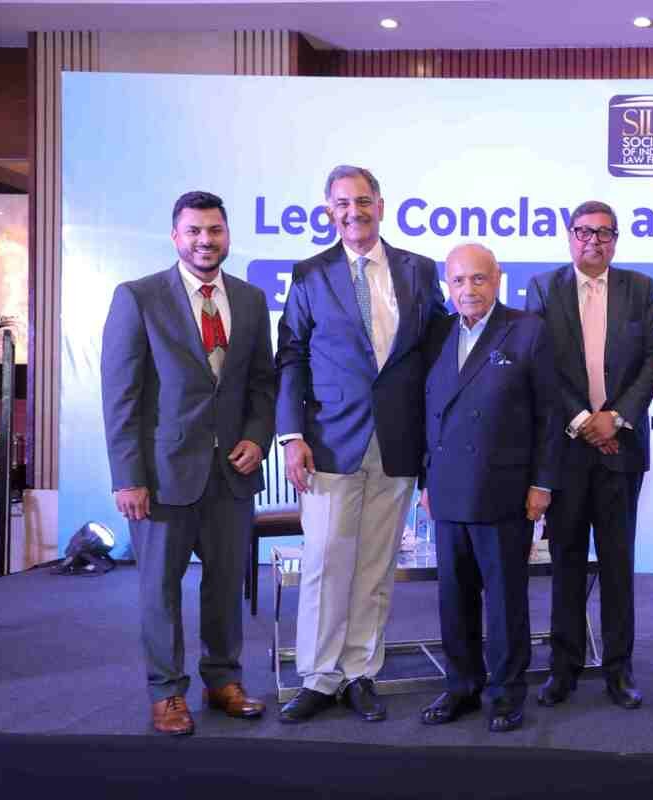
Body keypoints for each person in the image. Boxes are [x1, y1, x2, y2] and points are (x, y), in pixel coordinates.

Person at [274, 165, 446, 723]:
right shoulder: (310, 274)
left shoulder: (419, 271)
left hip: (398, 441)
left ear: (381, 205)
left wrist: (436, 446)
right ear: (329, 212)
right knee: (326, 562)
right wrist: (292, 435)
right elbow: (291, 356)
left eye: (363, 201)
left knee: (375, 567)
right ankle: (318, 677)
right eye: (342, 204)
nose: (354, 212)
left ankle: (360, 673)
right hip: (329, 441)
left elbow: (437, 355)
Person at [101, 190, 276, 736]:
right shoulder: (138, 297)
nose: (205, 240)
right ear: (175, 236)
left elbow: (263, 384)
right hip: (162, 477)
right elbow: (121, 396)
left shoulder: (250, 299)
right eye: (194, 231)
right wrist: (128, 477)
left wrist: (258, 438)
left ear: (227, 236)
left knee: (225, 586)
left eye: (215, 230)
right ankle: (166, 693)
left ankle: (223, 681)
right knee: (160, 591)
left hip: (232, 475)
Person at [525, 200, 653, 710]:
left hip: (621, 448)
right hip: (565, 448)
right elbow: (539, 363)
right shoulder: (544, 287)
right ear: (570, 236)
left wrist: (616, 418)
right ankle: (563, 667)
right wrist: (585, 420)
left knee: (618, 563)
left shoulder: (639, 288)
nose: (594, 241)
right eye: (584, 232)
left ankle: (619, 669)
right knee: (565, 561)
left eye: (604, 233)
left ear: (616, 240)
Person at [418, 244, 561, 733]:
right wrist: (427, 478)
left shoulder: (527, 330)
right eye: (458, 280)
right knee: (453, 600)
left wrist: (542, 483)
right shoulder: (438, 333)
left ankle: (504, 694)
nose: (468, 290)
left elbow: (549, 415)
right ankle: (461, 687)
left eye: (478, 279)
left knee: (503, 602)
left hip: (504, 490)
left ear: (498, 279)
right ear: (448, 285)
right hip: (447, 489)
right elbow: (430, 411)